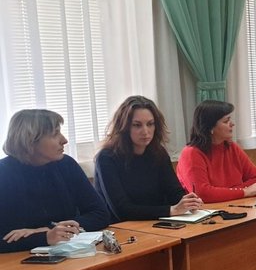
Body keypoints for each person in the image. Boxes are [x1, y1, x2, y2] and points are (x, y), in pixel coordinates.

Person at [0, 109, 110, 253]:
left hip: (68, 253)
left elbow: (100, 214)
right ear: (30, 141)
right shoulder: (4, 174)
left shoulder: (66, 164)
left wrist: (51, 230)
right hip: (17, 262)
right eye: (55, 134)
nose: (64, 140)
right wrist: (45, 236)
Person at [93, 95, 203, 223]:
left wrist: (189, 202)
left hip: (158, 222)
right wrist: (171, 210)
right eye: (137, 125)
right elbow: (121, 210)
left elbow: (174, 191)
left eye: (150, 124)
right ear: (124, 127)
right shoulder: (106, 158)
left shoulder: (158, 152)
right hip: (122, 227)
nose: (145, 131)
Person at [176, 99, 256, 203]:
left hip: (234, 204)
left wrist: (225, 193)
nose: (232, 124)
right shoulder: (191, 153)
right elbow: (202, 194)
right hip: (206, 209)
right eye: (226, 121)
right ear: (210, 127)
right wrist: (244, 191)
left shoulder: (232, 147)